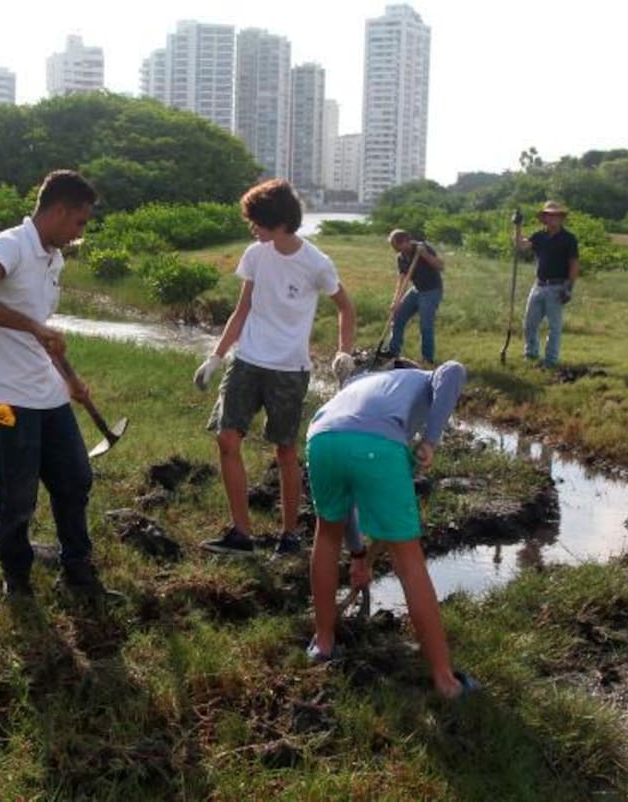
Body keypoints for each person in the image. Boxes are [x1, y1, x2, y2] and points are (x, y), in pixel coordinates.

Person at [0, 169, 110, 602]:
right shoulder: (8, 245)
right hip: (3, 398)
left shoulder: (53, 257)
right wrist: (31, 326)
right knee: (17, 489)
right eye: (80, 222)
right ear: (59, 211)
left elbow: (41, 333)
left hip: (45, 392)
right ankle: (17, 577)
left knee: (75, 478)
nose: (81, 232)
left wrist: (73, 380)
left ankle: (78, 570)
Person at [193, 179, 356, 558]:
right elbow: (243, 308)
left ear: (280, 223)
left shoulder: (316, 263)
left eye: (258, 222)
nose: (253, 228)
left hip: (289, 368)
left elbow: (346, 307)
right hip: (247, 359)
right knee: (227, 438)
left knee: (285, 450)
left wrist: (343, 353)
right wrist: (217, 357)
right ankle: (241, 535)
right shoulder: (256, 254)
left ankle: (290, 535)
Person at [305, 359, 479, 699]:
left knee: (326, 535)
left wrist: (358, 556)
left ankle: (323, 644)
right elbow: (455, 370)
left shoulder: (363, 384)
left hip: (322, 439)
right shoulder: (423, 378)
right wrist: (430, 440)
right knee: (409, 562)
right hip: (376, 447)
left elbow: (349, 505)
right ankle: (445, 681)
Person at [514, 201, 580, 368]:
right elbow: (521, 246)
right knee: (529, 323)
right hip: (539, 285)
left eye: (555, 215)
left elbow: (574, 265)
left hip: (558, 286)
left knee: (554, 327)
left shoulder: (569, 239)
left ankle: (550, 361)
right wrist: (518, 226)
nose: (551, 218)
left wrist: (569, 288)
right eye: (548, 215)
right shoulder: (539, 236)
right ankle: (531, 354)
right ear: (544, 218)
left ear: (561, 218)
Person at [385, 230, 445, 365]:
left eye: (396, 246)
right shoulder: (401, 257)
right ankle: (393, 351)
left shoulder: (422, 247)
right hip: (416, 290)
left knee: (425, 325)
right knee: (398, 316)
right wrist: (396, 301)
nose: (394, 249)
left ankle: (427, 358)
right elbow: (402, 279)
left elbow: (440, 266)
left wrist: (425, 255)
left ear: (406, 241)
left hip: (431, 291)